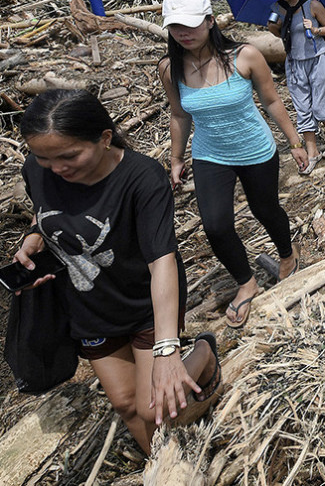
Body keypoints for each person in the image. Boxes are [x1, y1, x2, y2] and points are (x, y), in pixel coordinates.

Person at [14, 89, 221, 456]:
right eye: (44, 159)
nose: (57, 169)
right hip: (89, 307)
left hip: (145, 304)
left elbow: (162, 261)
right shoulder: (37, 169)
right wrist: (35, 236)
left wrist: (168, 349)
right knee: (126, 404)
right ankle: (160, 466)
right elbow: (43, 211)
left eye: (69, 156)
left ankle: (202, 352)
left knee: (153, 408)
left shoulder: (142, 179)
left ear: (104, 138)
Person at [158, 0, 308, 329]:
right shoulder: (171, 68)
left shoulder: (245, 56)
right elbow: (179, 115)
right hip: (211, 154)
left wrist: (295, 142)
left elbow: (271, 101)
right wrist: (176, 158)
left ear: (210, 21)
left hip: (255, 150)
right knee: (215, 224)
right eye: (175, 27)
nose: (183, 33)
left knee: (265, 209)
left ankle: (287, 256)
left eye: (190, 25)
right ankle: (246, 282)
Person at [267, 0, 325, 174]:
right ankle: (312, 151)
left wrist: (316, 29)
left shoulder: (312, 5)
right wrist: (275, 27)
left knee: (322, 101)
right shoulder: (278, 8)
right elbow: (276, 31)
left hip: (318, 57)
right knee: (302, 105)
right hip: (295, 61)